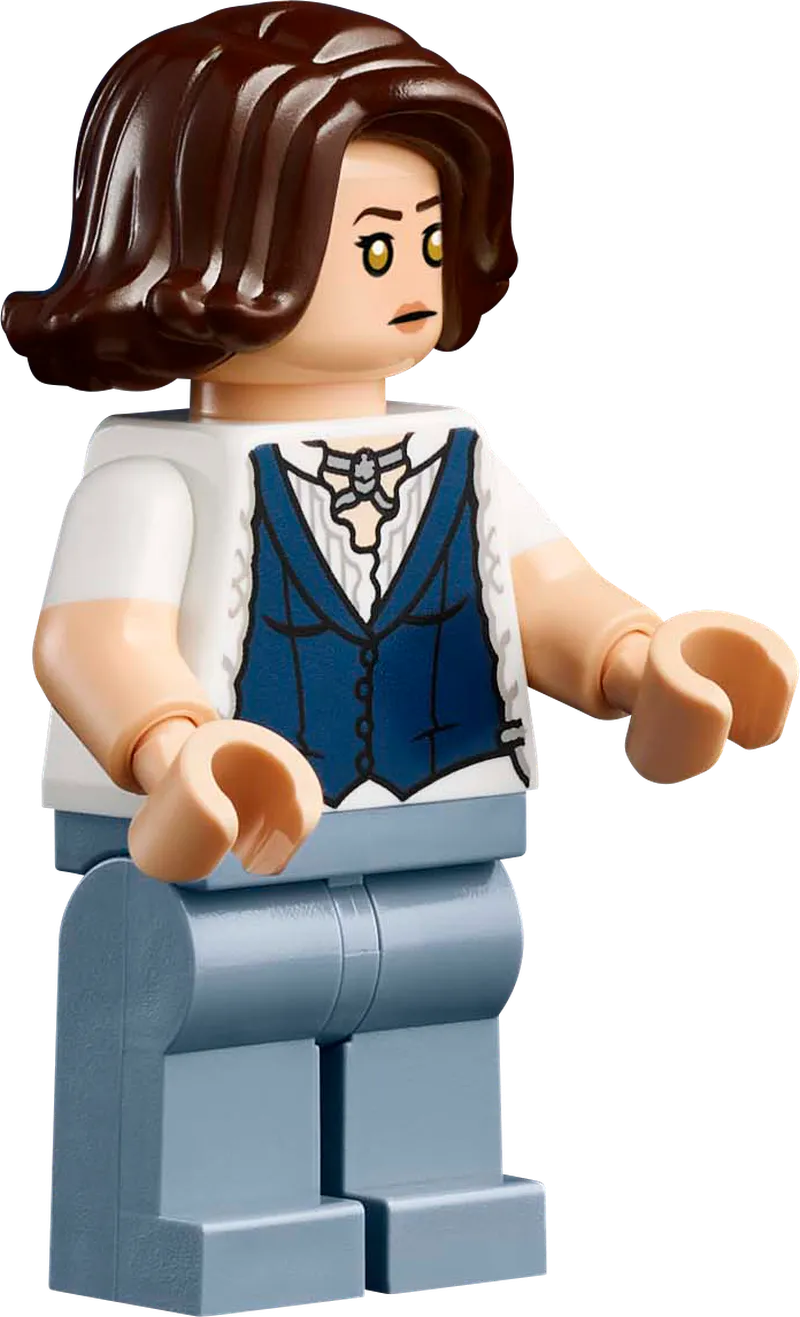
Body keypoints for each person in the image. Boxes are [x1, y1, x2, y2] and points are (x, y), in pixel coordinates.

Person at [6, 3, 794, 1310]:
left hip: (441, 831)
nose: (413, 274)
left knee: (443, 995)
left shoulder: (461, 456)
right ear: (208, 252)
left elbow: (545, 593)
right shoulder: (154, 474)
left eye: (427, 239)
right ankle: (211, 1229)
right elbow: (95, 639)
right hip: (230, 850)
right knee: (218, 1015)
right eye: (372, 245)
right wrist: (174, 743)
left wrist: (640, 656)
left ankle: (438, 1206)